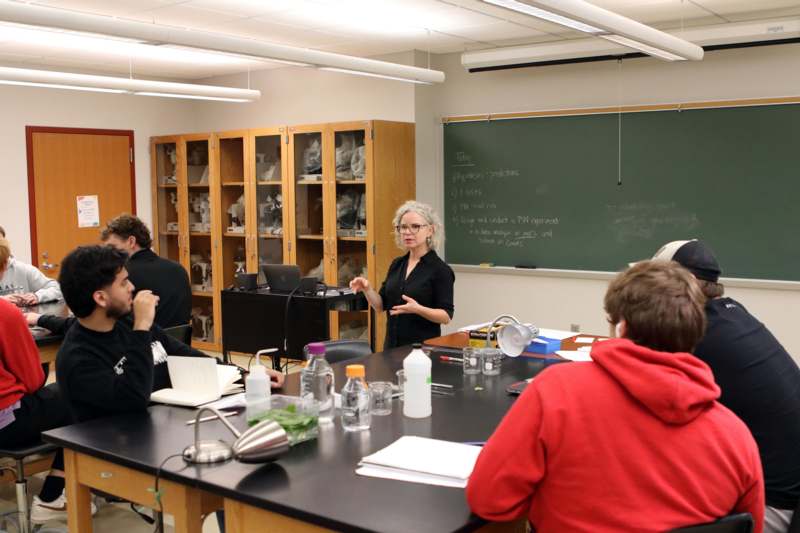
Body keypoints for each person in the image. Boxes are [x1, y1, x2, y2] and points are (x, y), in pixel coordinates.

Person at [467, 260, 764, 532]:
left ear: (621, 326)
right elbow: (750, 525)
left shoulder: (556, 391)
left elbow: (489, 500)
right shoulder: (736, 437)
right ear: (697, 330)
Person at [653, 239, 800, 533]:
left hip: (774, 503)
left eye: (655, 285)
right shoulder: (732, 315)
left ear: (685, 285)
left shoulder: (696, 334)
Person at [55, 245, 284, 423]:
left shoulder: (127, 321)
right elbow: (133, 399)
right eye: (123, 283)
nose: (132, 287)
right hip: (121, 452)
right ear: (101, 298)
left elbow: (184, 354)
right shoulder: (78, 358)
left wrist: (242, 374)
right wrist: (142, 326)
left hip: (168, 427)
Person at [0, 298, 93, 522]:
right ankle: (52, 496)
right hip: (7, 423)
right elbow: (33, 380)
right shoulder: (5, 312)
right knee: (85, 392)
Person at [349, 201, 454, 348]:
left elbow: (446, 316)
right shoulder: (397, 264)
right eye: (403, 227)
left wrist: (418, 309)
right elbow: (380, 306)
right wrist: (367, 289)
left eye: (415, 226)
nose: (407, 232)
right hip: (391, 348)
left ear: (430, 230)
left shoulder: (440, 270)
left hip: (421, 351)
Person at [101, 214, 191, 329]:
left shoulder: (123, 276)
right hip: (177, 343)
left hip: (143, 342)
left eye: (112, 247)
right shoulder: (178, 269)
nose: (110, 254)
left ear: (131, 241)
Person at [0, 236, 61, 306]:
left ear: (5, 263)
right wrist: (2, 301)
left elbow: (57, 289)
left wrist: (37, 296)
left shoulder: (23, 269)